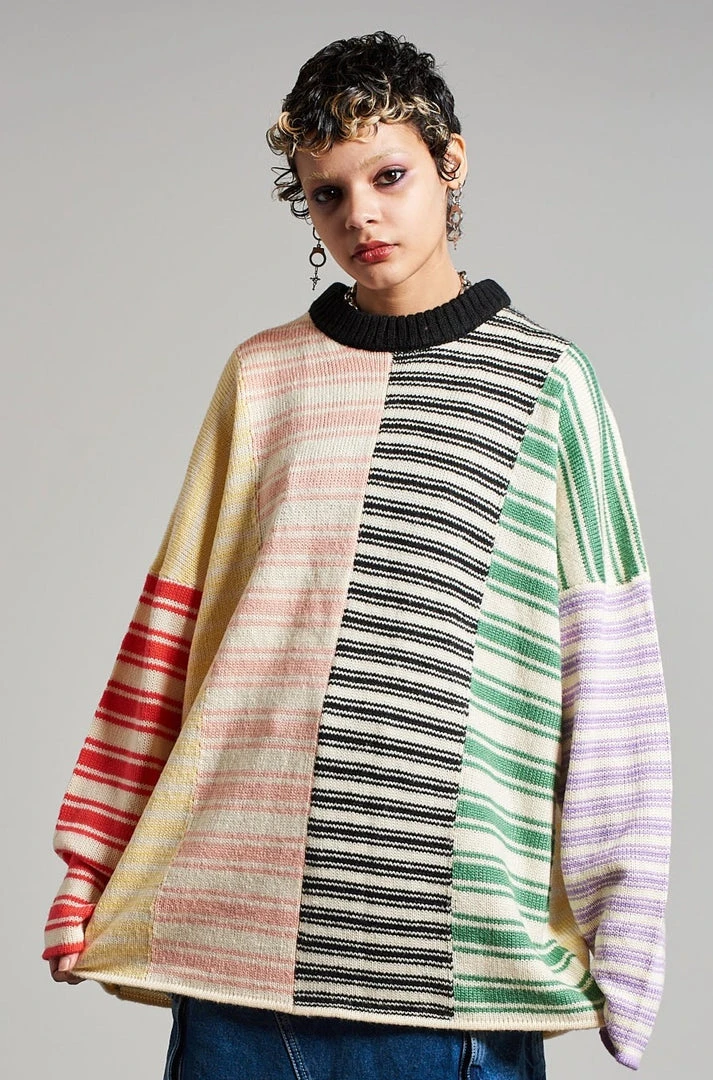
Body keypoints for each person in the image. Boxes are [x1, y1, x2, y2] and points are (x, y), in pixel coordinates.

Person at [44, 30, 672, 1080]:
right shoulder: (261, 378)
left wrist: (627, 938)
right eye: (326, 194)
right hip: (237, 972)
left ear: (450, 163)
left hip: (454, 974)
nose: (360, 217)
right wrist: (88, 868)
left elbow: (609, 673)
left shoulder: (548, 386)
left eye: (388, 177)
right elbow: (170, 630)